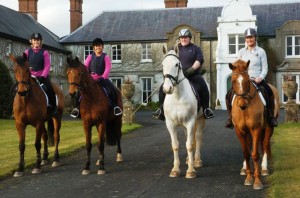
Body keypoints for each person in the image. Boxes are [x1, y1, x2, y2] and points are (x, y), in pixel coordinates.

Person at [153, 28, 214, 121]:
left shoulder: (195, 48)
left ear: (189, 38)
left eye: (185, 37)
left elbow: (200, 60)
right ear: (179, 39)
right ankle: (161, 110)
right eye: (181, 38)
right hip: (177, 76)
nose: (183, 39)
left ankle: (206, 109)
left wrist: (192, 69)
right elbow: (169, 59)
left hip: (192, 74)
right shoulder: (175, 49)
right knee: (162, 88)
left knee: (203, 85)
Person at [224, 27, 278, 128]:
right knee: (228, 95)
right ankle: (230, 118)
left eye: (251, 37)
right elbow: (236, 62)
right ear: (245, 39)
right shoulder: (241, 52)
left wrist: (260, 78)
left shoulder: (261, 51)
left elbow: (265, 68)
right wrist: (232, 65)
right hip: (245, 81)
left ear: (255, 38)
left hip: (257, 79)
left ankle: (271, 116)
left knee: (269, 92)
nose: (249, 39)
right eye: (247, 38)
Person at [70, 38, 122, 118]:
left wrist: (103, 77)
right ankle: (77, 108)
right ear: (93, 48)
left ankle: (115, 107)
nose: (98, 47)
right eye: (96, 46)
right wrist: (87, 77)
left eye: (100, 46)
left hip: (102, 78)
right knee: (80, 91)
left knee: (112, 89)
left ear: (102, 47)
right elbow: (85, 67)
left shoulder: (105, 57)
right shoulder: (90, 57)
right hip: (91, 79)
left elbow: (107, 68)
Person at [25, 33, 57, 116]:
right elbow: (24, 65)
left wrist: (42, 77)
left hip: (42, 76)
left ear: (41, 42)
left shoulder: (45, 52)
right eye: (35, 40)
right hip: (30, 77)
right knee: (18, 88)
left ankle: (53, 108)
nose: (36, 42)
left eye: (38, 40)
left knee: (50, 89)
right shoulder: (27, 52)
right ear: (31, 41)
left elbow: (47, 66)